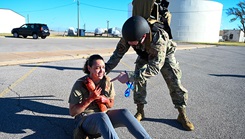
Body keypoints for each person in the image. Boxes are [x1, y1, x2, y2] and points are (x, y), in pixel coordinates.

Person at [106, 15, 195, 131]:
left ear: (144, 36)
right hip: (144, 55)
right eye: (130, 43)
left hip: (164, 56)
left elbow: (154, 68)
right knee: (139, 83)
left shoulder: (159, 37)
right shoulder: (128, 35)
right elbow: (117, 55)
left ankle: (182, 114)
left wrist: (130, 76)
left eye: (134, 43)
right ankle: (140, 111)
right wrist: (104, 70)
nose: (132, 45)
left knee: (175, 83)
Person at [68, 54, 152, 139]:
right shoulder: (80, 83)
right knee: (102, 116)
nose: (101, 71)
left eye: (103, 67)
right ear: (89, 68)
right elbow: (73, 112)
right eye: (97, 68)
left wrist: (106, 101)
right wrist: (91, 98)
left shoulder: (107, 81)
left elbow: (111, 104)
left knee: (124, 112)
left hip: (103, 117)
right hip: (85, 119)